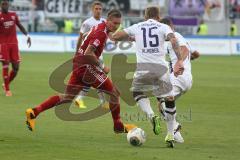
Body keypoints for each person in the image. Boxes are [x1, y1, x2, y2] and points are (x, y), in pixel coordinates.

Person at [25, 9, 136, 134]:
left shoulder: (100, 26)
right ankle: (118, 126)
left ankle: (34, 111)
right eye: (115, 23)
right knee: (114, 93)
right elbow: (89, 52)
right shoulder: (100, 32)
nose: (116, 26)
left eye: (118, 24)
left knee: (67, 97)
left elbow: (87, 36)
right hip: (87, 68)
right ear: (108, 21)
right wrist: (102, 66)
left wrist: (131, 38)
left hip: (78, 64)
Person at [111, 6, 184, 148]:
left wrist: (126, 37)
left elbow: (117, 36)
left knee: (137, 92)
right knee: (169, 99)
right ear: (158, 16)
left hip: (143, 69)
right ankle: (170, 134)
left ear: (145, 16)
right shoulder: (163, 26)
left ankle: (151, 115)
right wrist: (179, 60)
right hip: (161, 69)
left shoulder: (138, 26)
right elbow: (173, 40)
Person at [160, 17, 200, 144]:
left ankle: (174, 130)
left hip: (179, 76)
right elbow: (196, 53)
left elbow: (184, 50)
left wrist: (179, 62)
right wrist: (188, 59)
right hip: (187, 79)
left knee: (162, 103)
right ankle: (176, 133)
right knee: (164, 103)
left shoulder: (175, 36)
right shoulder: (181, 37)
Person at [75, 1, 108, 108]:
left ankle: (81, 99)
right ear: (92, 10)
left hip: (99, 53)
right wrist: (77, 53)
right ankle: (103, 102)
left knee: (94, 77)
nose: (98, 11)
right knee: (99, 76)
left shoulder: (104, 21)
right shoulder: (87, 23)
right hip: (91, 54)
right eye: (96, 9)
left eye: (100, 9)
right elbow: (80, 37)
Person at [0, 0, 31, 96]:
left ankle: (6, 84)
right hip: (3, 44)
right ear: (1, 5)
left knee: (16, 68)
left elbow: (20, 26)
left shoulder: (13, 15)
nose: (4, 6)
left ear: (8, 5)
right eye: (3, 4)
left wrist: (27, 36)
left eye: (6, 4)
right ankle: (7, 90)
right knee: (5, 64)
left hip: (14, 44)